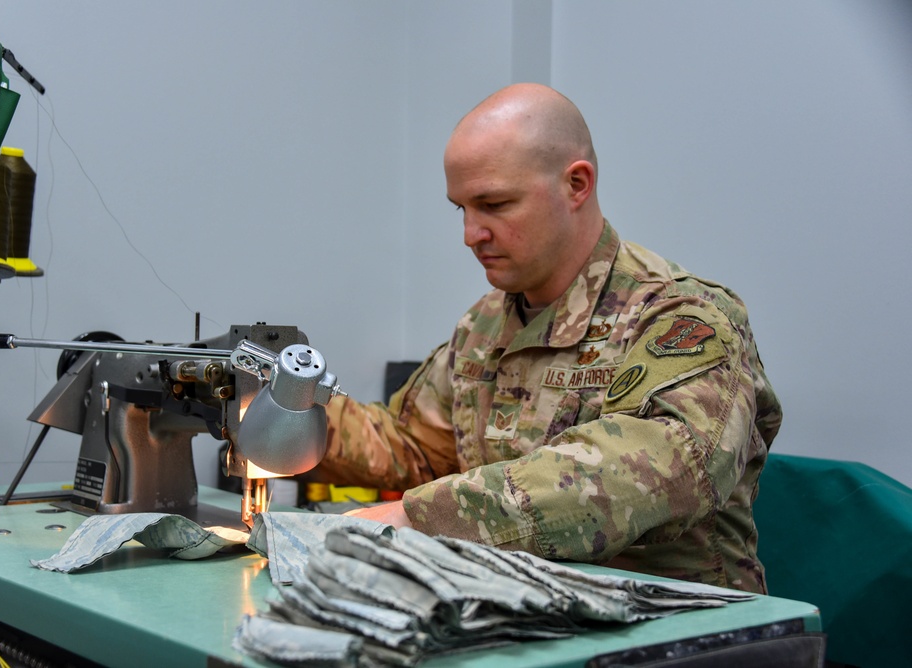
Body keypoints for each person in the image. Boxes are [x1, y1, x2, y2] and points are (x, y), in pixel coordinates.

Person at [311, 83, 781, 594]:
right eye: (461, 209)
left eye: (494, 203)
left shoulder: (681, 317)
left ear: (576, 185)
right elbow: (413, 447)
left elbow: (655, 471)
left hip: (675, 630)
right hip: (522, 613)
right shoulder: (484, 326)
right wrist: (279, 414)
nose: (471, 234)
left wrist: (421, 516)